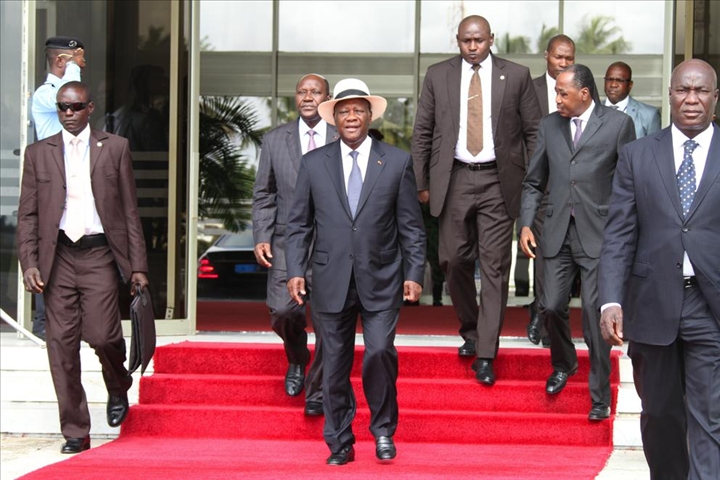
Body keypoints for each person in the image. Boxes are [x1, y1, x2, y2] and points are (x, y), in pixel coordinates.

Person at [285, 78, 425, 465]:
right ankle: (340, 442)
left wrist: (414, 273)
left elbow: (411, 226)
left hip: (382, 278)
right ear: (334, 118)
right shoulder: (313, 163)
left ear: (369, 115)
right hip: (330, 280)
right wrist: (295, 269)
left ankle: (383, 431)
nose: (350, 116)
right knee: (333, 363)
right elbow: (299, 224)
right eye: (343, 111)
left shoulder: (396, 162)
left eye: (358, 110)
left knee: (379, 352)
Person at [598, 59, 719, 479]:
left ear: (715, 98)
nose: (691, 99)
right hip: (652, 305)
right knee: (660, 413)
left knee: (710, 416)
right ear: (670, 95)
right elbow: (619, 234)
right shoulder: (637, 155)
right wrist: (610, 300)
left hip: (710, 307)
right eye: (683, 90)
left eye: (701, 91)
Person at [17, 81, 149, 454]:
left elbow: (129, 211)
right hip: (56, 257)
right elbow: (27, 215)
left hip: (99, 254)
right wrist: (29, 262)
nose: (69, 114)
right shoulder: (38, 153)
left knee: (104, 336)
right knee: (60, 345)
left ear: (90, 108)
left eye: (76, 107)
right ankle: (76, 430)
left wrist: (138, 266)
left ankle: (118, 383)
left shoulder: (115, 148)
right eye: (62, 107)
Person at [411, 15, 541, 385]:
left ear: (491, 39)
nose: (472, 47)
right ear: (457, 40)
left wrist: (533, 182)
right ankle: (470, 328)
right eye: (466, 40)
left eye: (479, 40)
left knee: (495, 267)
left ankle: (486, 352)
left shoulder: (516, 75)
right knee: (452, 260)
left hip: (499, 180)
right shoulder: (438, 75)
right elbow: (422, 130)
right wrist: (421, 182)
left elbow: (534, 133)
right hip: (453, 177)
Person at [519, 64, 636, 421]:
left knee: (594, 315)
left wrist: (626, 230)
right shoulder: (549, 126)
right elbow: (533, 181)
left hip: (600, 234)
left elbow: (630, 182)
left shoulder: (618, 125)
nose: (556, 99)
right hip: (556, 231)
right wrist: (526, 224)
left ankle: (599, 396)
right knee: (550, 306)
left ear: (584, 94)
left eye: (562, 93)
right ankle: (564, 363)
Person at [252, 73, 335, 416]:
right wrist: (262, 235)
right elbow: (264, 193)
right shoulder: (275, 140)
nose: (308, 97)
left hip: (332, 242)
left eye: (315, 91)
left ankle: (318, 390)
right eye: (302, 91)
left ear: (327, 98)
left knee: (331, 321)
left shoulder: (342, 136)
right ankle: (298, 358)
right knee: (283, 311)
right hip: (287, 242)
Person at [29, 35, 87, 340]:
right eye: (79, 60)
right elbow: (69, 94)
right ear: (61, 62)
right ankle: (43, 324)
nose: (83, 66)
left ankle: (69, 321)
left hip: (75, 181)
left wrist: (73, 63)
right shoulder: (44, 94)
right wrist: (72, 66)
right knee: (48, 249)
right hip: (52, 181)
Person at [526, 34, 577, 347]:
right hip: (535, 185)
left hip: (565, 187)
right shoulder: (527, 89)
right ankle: (541, 311)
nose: (564, 63)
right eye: (559, 57)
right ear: (546, 55)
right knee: (542, 254)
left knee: (555, 254)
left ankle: (544, 314)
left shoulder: (581, 91)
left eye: (569, 58)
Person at [604, 61, 662, 139]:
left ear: (630, 85)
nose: (613, 85)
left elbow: (654, 146)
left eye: (620, 80)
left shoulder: (649, 115)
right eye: (609, 79)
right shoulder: (592, 110)